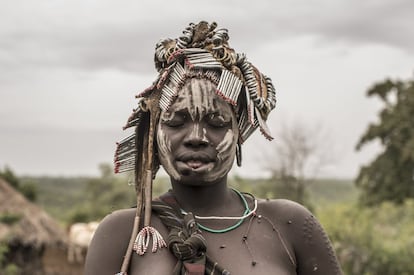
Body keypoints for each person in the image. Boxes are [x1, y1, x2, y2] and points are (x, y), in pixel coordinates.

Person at [84, 21, 342, 275]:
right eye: (176, 121)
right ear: (153, 133)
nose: (196, 137)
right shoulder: (123, 234)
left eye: (216, 122)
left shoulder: (290, 225)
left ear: (239, 132)